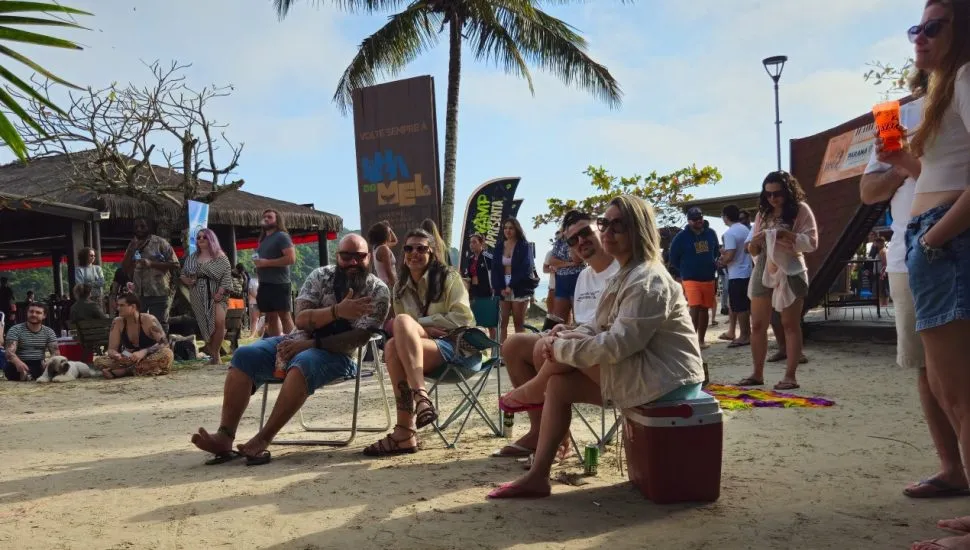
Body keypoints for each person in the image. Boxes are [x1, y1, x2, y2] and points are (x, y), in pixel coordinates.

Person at [490, 195, 705, 499]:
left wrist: (560, 349)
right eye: (605, 223)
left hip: (667, 380)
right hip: (644, 370)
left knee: (561, 358)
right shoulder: (625, 273)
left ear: (639, 229)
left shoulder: (648, 280)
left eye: (618, 225)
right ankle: (538, 476)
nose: (608, 231)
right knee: (559, 385)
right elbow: (597, 325)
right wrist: (564, 336)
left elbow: (618, 344)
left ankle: (532, 392)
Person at [882, 3, 970, 547]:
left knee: (958, 392)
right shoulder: (947, 87)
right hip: (935, 239)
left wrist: (935, 237)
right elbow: (939, 171)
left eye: (934, 26)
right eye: (917, 27)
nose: (920, 36)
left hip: (946, 242)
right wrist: (901, 161)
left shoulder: (965, 75)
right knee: (945, 386)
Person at [190, 234, 390, 465]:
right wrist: (336, 312)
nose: (353, 262)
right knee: (244, 355)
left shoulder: (378, 291)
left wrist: (311, 344)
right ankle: (225, 436)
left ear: (369, 258)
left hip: (340, 356)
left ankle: (263, 438)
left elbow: (358, 338)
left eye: (359, 256)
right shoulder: (320, 276)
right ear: (337, 257)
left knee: (303, 362)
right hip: (296, 340)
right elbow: (301, 319)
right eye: (346, 256)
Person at [861, 86, 962, 501]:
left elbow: (949, 180)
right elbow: (868, 191)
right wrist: (900, 165)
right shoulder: (902, 117)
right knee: (927, 369)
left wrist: (908, 163)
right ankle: (952, 468)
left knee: (955, 374)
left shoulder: (960, 100)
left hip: (948, 245)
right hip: (909, 257)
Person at [494, 209, 619, 458]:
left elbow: (616, 331)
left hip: (608, 359)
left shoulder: (621, 270)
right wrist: (567, 329)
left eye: (586, 232)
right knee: (513, 344)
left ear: (600, 229)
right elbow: (586, 323)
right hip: (583, 347)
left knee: (546, 349)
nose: (580, 241)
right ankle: (539, 431)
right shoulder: (584, 276)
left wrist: (567, 337)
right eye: (572, 239)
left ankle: (555, 439)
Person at [362, 228, 478, 456]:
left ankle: (411, 416)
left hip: (459, 348)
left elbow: (463, 318)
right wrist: (422, 329)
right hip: (424, 351)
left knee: (401, 325)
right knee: (393, 345)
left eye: (421, 248)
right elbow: (405, 333)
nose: (414, 253)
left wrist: (421, 324)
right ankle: (409, 426)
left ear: (431, 253)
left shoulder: (449, 277)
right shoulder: (399, 288)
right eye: (408, 248)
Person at [738, 171, 818, 390]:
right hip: (764, 265)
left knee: (790, 324)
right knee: (758, 324)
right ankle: (757, 373)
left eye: (778, 193)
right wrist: (754, 243)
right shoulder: (762, 214)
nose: (773, 198)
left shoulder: (801, 209)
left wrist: (785, 235)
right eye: (768, 194)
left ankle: (790, 376)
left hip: (790, 267)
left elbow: (811, 243)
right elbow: (753, 249)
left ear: (788, 191)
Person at [669, 207, 720, 349]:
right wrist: (685, 269)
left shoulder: (711, 233)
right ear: (689, 221)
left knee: (705, 309)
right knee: (695, 306)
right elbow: (673, 257)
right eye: (695, 219)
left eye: (700, 218)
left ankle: (701, 340)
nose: (699, 221)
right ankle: (691, 341)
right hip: (690, 278)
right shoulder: (681, 237)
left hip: (708, 276)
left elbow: (716, 251)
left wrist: (712, 264)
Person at [181, 228, 233, 365]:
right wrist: (187, 280)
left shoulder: (220, 256)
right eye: (198, 237)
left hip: (217, 292)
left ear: (211, 239)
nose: (201, 239)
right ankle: (214, 356)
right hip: (198, 293)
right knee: (205, 324)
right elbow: (183, 274)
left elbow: (226, 275)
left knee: (219, 322)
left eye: (204, 237)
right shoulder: (192, 257)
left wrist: (220, 292)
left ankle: (216, 353)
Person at [94, 293, 173, 379]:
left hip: (151, 356)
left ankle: (124, 371)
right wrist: (117, 355)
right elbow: (111, 350)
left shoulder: (149, 319)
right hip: (129, 359)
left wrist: (144, 351)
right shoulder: (117, 322)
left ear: (133, 307)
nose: (118, 308)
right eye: (118, 305)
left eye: (122, 305)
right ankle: (137, 369)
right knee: (99, 361)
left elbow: (165, 344)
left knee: (167, 354)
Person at [122, 217, 180, 332]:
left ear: (149, 227)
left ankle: (162, 343)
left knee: (159, 325)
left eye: (142, 226)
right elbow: (124, 267)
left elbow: (175, 264)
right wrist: (131, 251)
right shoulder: (132, 244)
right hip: (138, 294)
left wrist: (151, 264)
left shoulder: (160, 242)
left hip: (158, 292)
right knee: (139, 325)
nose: (139, 229)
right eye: (136, 227)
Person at [491, 218, 535, 341]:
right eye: (505, 228)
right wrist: (500, 288)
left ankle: (520, 350)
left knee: (518, 324)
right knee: (502, 324)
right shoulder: (499, 246)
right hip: (502, 286)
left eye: (511, 228)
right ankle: (503, 351)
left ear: (517, 229)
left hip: (519, 287)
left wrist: (511, 286)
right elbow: (494, 269)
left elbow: (526, 268)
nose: (508, 230)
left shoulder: (524, 246)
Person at [254, 209, 296, 337]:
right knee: (270, 317)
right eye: (264, 217)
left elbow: (291, 258)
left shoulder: (282, 236)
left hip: (279, 283)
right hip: (264, 283)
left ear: (277, 220)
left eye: (270, 217)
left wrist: (266, 263)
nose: (266, 219)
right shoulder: (263, 240)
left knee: (285, 316)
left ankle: (294, 343)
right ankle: (274, 345)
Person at [719, 205, 753, 347]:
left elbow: (730, 255)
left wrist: (721, 261)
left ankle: (745, 335)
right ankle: (747, 334)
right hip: (748, 271)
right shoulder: (745, 229)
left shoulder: (729, 233)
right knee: (746, 305)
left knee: (740, 307)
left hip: (736, 274)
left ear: (726, 217)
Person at [3, 302, 58, 381]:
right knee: (9, 368)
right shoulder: (15, 329)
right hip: (20, 363)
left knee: (57, 364)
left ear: (44, 316)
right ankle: (33, 375)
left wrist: (49, 362)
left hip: (39, 364)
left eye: (38, 312)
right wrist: (18, 362)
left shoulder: (49, 332)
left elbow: (55, 353)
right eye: (31, 311)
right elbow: (9, 352)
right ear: (27, 313)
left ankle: (29, 375)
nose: (34, 314)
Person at [548, 225, 585, 322]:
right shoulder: (559, 241)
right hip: (561, 280)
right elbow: (551, 261)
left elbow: (577, 260)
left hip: (577, 278)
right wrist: (570, 264)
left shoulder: (580, 239)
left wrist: (571, 239)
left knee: (579, 318)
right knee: (558, 319)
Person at [463, 233, 495, 339]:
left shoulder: (488, 258)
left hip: (486, 292)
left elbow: (495, 274)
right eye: (470, 242)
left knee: (489, 322)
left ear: (481, 243)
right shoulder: (470, 259)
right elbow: (469, 276)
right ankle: (478, 343)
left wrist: (494, 288)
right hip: (474, 292)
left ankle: (494, 345)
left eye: (474, 242)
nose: (471, 245)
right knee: (474, 320)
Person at [75, 247, 106, 312]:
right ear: (85, 256)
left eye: (94, 255)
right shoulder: (79, 269)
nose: (93, 257)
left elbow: (102, 282)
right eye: (91, 255)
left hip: (98, 298)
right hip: (86, 299)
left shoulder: (98, 268)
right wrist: (95, 283)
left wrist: (88, 284)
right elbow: (80, 284)